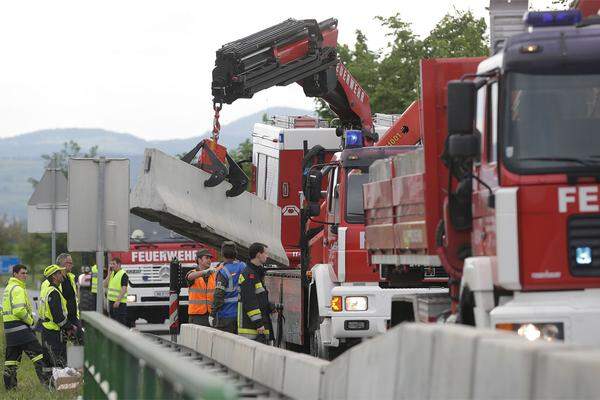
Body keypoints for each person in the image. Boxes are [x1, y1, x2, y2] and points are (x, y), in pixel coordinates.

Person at [3, 264, 51, 390]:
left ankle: (10, 388)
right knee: (40, 355)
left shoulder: (9, 287)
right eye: (22, 273)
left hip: (10, 330)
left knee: (11, 360)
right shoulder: (17, 288)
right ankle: (48, 385)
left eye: (26, 273)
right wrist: (31, 321)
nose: (25, 275)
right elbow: (19, 311)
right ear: (15, 274)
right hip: (20, 329)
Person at [39, 264, 75, 369]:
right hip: (54, 331)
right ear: (54, 276)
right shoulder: (54, 292)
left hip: (46, 329)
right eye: (59, 273)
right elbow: (58, 316)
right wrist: (70, 327)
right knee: (59, 361)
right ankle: (59, 383)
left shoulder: (47, 290)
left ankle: (48, 383)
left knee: (48, 361)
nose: (62, 275)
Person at [238, 242, 274, 343]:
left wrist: (268, 306)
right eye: (265, 253)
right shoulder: (248, 274)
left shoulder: (257, 272)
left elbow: (259, 297)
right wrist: (258, 323)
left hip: (258, 326)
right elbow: (249, 301)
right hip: (251, 328)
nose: (267, 256)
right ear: (258, 254)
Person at [210, 241, 245, 334]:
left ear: (222, 254)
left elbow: (218, 294)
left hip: (226, 315)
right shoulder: (243, 266)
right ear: (235, 253)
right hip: (242, 315)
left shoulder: (223, 271)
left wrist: (212, 313)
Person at [186, 249, 217, 326]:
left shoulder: (214, 274)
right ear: (199, 260)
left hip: (211, 314)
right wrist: (204, 272)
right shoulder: (193, 273)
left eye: (210, 258)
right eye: (206, 258)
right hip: (197, 316)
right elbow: (189, 277)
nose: (209, 260)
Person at [103, 257, 129, 326]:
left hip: (119, 304)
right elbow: (105, 285)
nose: (111, 266)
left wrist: (118, 301)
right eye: (111, 264)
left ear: (119, 265)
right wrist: (108, 274)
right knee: (113, 323)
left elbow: (124, 289)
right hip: (111, 302)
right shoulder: (111, 274)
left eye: (113, 264)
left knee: (120, 323)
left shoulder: (123, 274)